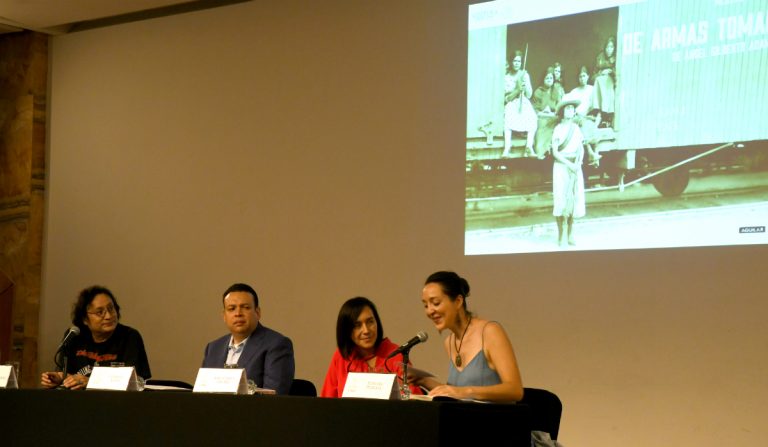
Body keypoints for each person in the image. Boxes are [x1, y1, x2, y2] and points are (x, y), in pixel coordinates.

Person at [413, 271, 523, 403]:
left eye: (436, 303)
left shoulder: (489, 331)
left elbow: (515, 390)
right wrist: (423, 380)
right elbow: (456, 393)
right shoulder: (449, 341)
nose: (430, 311)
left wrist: (466, 391)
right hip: (467, 419)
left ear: (458, 301)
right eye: (426, 305)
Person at [40, 285, 151, 390]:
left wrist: (90, 381)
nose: (108, 316)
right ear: (84, 319)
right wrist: (60, 378)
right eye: (100, 312)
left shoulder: (130, 337)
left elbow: (136, 382)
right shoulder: (74, 336)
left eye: (111, 309)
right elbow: (67, 375)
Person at [201, 283, 295, 394]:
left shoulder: (277, 345)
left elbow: (273, 397)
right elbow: (203, 392)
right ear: (224, 316)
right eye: (231, 309)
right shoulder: (213, 348)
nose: (238, 313)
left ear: (258, 312)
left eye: (245, 308)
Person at [321, 297, 423, 398]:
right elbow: (327, 404)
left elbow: (414, 400)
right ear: (346, 330)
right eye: (357, 325)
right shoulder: (341, 356)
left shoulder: (396, 355)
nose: (366, 330)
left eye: (370, 322)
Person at [551, 93, 587, 246]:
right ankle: (561, 236)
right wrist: (569, 164)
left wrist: (579, 162)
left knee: (573, 199)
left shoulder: (576, 129)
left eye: (572, 108)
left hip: (575, 168)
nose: (570, 110)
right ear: (562, 112)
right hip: (561, 167)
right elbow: (555, 152)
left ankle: (571, 234)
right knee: (561, 199)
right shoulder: (558, 129)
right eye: (567, 108)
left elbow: (581, 148)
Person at [503, 50, 538, 158]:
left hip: (524, 101)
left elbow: (529, 94)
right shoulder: (506, 77)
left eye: (519, 61)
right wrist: (518, 89)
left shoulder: (524, 74)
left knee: (533, 117)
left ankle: (529, 147)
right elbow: (507, 98)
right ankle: (507, 147)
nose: (517, 63)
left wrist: (525, 84)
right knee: (508, 118)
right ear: (511, 62)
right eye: (514, 61)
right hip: (512, 102)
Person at [569, 66, 601, 165]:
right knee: (581, 125)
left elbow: (596, 107)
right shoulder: (574, 91)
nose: (582, 78)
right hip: (578, 118)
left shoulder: (592, 90)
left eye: (584, 76)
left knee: (592, 128)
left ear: (588, 76)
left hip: (589, 117)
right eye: (580, 77)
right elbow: (572, 108)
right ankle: (592, 154)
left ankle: (595, 154)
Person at [531, 66, 564, 159]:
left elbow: (559, 107)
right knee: (542, 126)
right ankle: (542, 151)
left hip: (554, 117)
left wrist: (555, 113)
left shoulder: (556, 91)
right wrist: (545, 113)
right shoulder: (538, 91)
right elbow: (535, 110)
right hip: (542, 118)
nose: (549, 80)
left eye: (551, 78)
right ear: (543, 79)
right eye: (547, 78)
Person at [592, 36, 616, 128]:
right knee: (599, 79)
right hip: (600, 82)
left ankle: (605, 113)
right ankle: (599, 110)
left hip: (611, 82)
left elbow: (617, 72)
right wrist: (602, 72)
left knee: (606, 79)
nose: (609, 49)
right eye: (607, 47)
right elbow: (593, 76)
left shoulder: (616, 57)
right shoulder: (600, 58)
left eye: (611, 47)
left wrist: (610, 71)